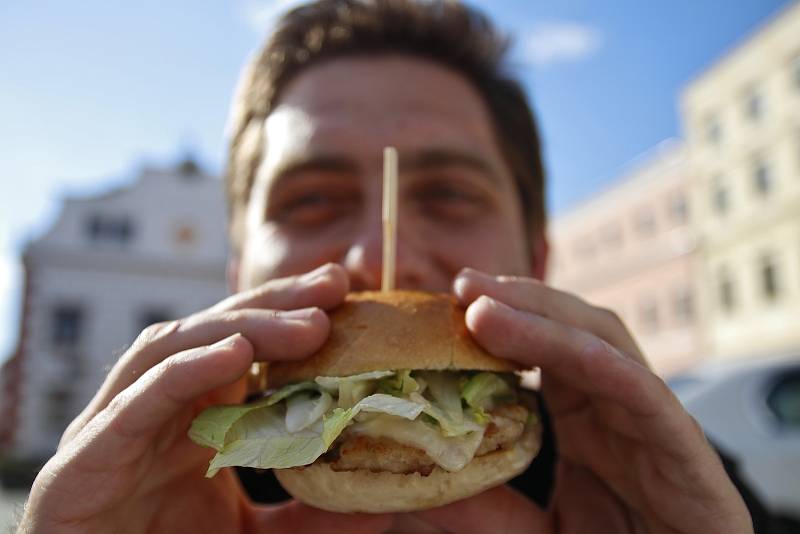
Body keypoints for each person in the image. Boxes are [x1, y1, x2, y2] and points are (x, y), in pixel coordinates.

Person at [19, 1, 756, 532]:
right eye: (310, 201)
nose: (381, 258)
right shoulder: (140, 500)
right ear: (240, 268)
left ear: (536, 259)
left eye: (450, 194)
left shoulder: (684, 491)